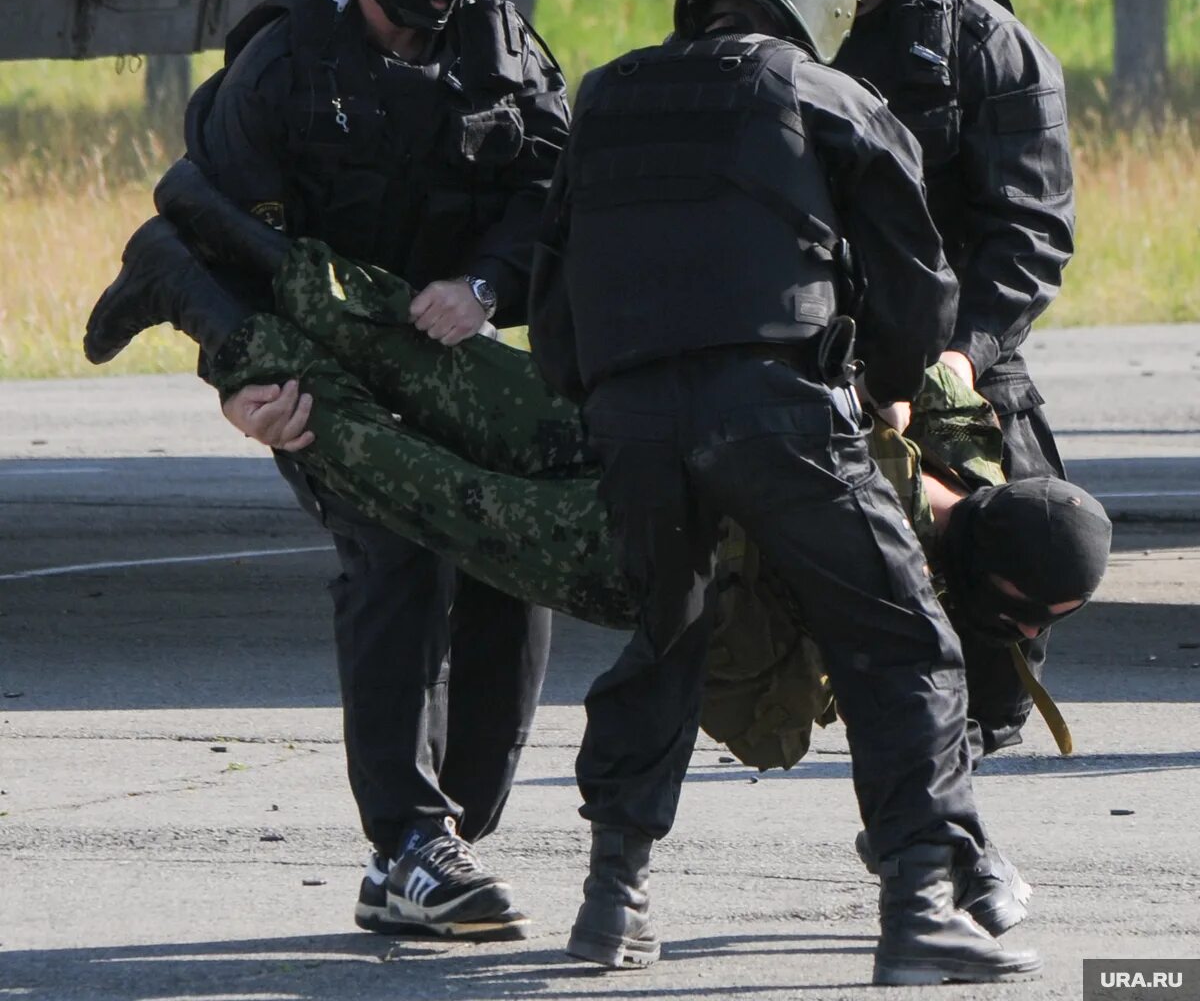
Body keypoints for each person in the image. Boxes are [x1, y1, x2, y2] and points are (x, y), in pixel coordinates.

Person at [84, 186, 1104, 956]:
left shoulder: (952, 442)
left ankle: (214, 232)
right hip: (613, 535)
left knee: (430, 364)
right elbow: (765, 717)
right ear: (999, 588)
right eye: (1026, 619)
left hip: (640, 415)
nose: (1023, 638)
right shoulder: (892, 575)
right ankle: (197, 292)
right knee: (384, 457)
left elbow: (917, 353)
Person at [528, 0, 1041, 984]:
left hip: (630, 421)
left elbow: (554, 295)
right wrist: (892, 390)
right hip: (777, 412)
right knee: (902, 640)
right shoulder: (825, 93)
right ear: (817, 8)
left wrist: (608, 406)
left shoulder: (607, 95)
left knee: (666, 640)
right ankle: (920, 906)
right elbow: (918, 283)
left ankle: (611, 899)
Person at [89, 0, 571, 942]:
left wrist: (486, 286)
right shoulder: (283, 67)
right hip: (315, 365)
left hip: (448, 357)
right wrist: (240, 388)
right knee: (397, 546)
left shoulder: (501, 49)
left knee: (517, 550)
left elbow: (554, 197)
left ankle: (447, 833)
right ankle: (408, 839)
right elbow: (213, 237)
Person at [750, 0, 1076, 757]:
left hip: (948, 350)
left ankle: (972, 733)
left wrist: (956, 361)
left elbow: (1030, 232)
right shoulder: (742, 36)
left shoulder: (983, 47)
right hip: (796, 349)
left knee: (1026, 539)